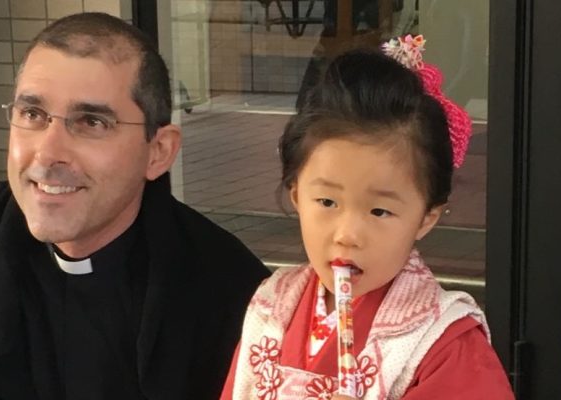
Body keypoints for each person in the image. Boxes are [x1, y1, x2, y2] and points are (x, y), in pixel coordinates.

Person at [0, 12, 270, 400]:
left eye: (91, 122)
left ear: (158, 152)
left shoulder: (227, 287)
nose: (48, 153)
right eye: (33, 114)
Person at [220, 36, 514, 399]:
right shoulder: (272, 304)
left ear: (427, 217)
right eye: (327, 201)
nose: (347, 234)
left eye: (379, 210)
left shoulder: (444, 343)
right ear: (297, 195)